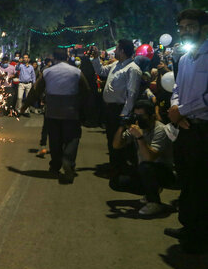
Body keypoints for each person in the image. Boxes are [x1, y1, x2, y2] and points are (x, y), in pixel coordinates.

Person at [165, 9, 208, 254]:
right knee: (187, 180)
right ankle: (188, 227)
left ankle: (198, 236)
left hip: (203, 129)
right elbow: (178, 88)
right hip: (186, 128)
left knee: (201, 183)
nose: (184, 31)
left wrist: (180, 111)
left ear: (203, 27)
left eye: (190, 26)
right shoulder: (184, 58)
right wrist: (175, 107)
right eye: (182, 27)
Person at [21, 48, 90, 184]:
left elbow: (35, 91)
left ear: (53, 58)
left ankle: (55, 166)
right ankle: (68, 161)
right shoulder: (76, 72)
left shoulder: (47, 72)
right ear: (67, 57)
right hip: (71, 111)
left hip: (52, 111)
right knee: (72, 138)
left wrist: (24, 106)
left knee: (55, 140)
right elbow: (86, 90)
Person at [111, 100, 175, 216]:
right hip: (145, 170)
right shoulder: (137, 127)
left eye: (142, 116)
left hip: (166, 173)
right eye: (136, 116)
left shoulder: (160, 129)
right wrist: (122, 126)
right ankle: (150, 190)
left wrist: (140, 137)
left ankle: (155, 202)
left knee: (146, 167)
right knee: (116, 182)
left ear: (152, 116)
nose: (138, 119)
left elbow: (150, 157)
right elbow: (116, 145)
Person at [89, 40, 142, 176]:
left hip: (120, 110)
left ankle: (121, 169)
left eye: (117, 49)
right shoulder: (116, 65)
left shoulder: (133, 69)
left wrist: (124, 115)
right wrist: (95, 58)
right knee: (110, 138)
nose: (115, 51)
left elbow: (132, 94)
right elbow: (100, 70)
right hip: (110, 109)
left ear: (123, 51)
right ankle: (114, 166)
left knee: (120, 141)